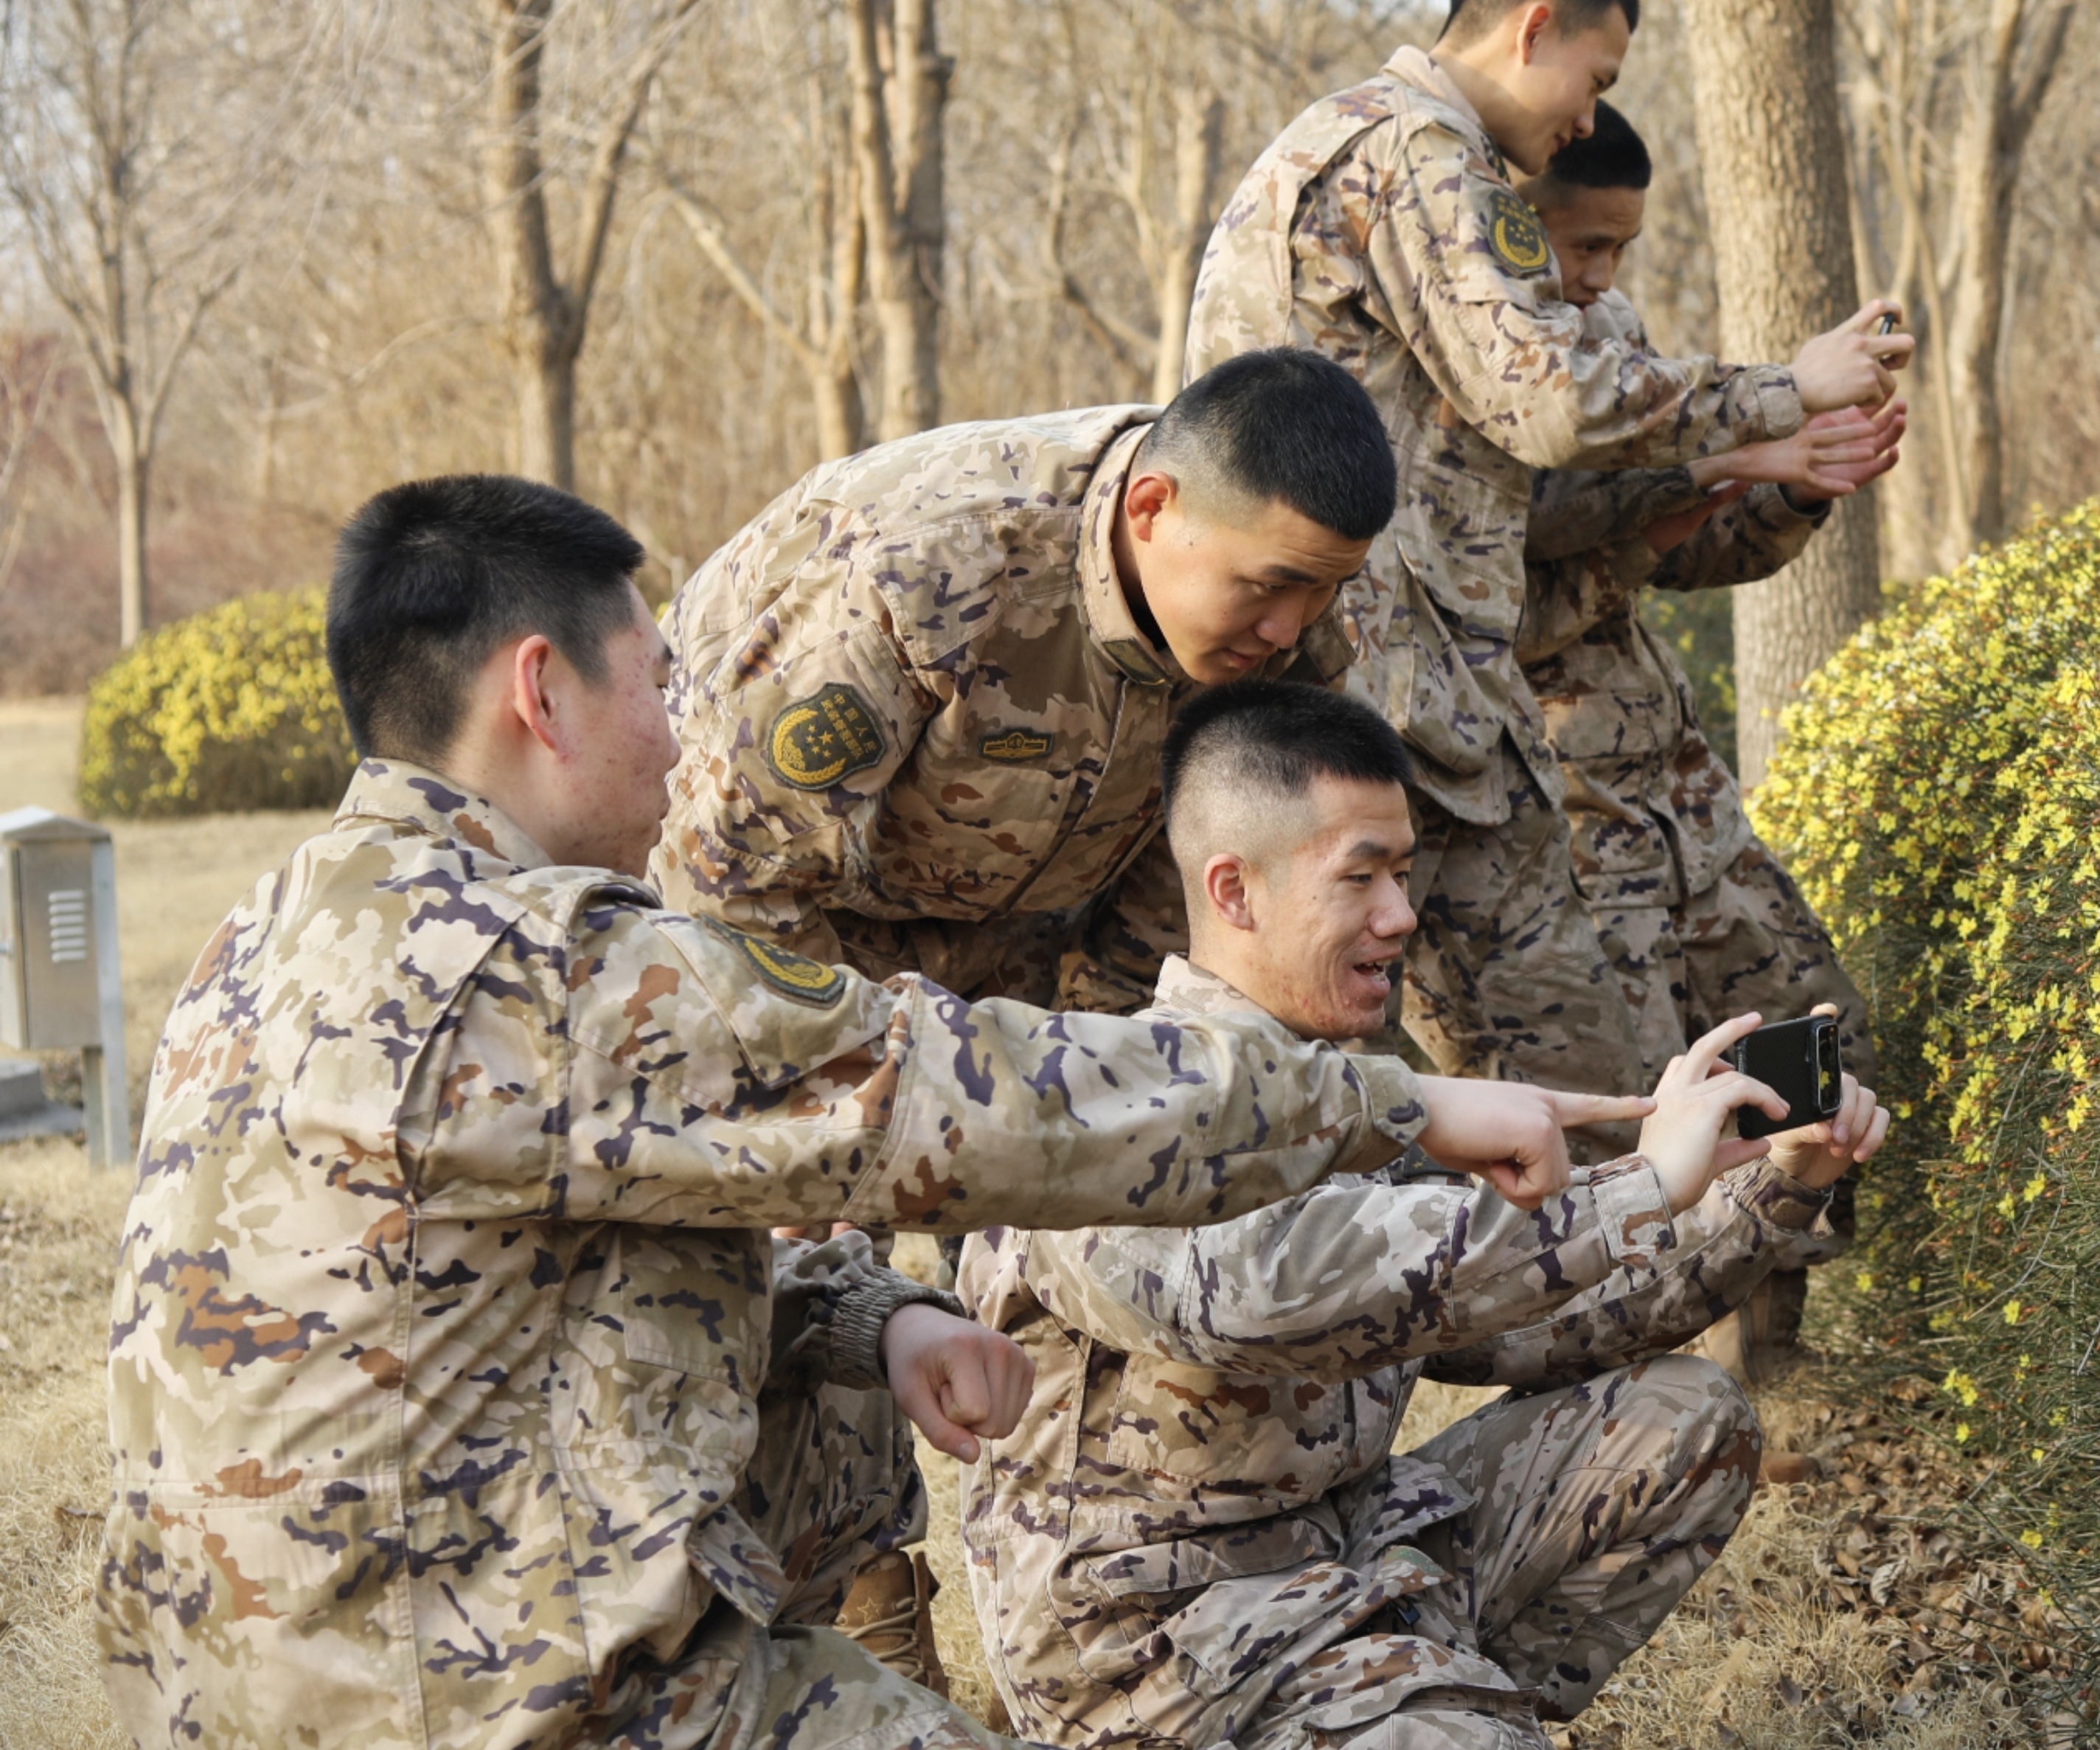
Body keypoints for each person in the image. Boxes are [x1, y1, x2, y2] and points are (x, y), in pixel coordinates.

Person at [97, 476, 1647, 1750]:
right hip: (465, 1694)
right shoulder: (536, 967)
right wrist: (1395, 1104)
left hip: (250, 1670)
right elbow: (973, 1097)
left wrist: (872, 1319)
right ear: (541, 692)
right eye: (663, 681)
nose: (687, 728)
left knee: (821, 1324)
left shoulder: (284, 926)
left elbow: (533, 1274)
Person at [956, 681, 1886, 1749]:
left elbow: (1539, 1318)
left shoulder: (1369, 1093)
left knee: (1688, 1420)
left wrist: (1775, 1180)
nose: (1401, 915)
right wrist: (1636, 1185)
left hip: (1342, 1564)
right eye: (1361, 877)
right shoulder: (1108, 1105)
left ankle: (1435, 1706)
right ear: (1236, 890)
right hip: (1157, 1657)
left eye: (1404, 872)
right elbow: (1260, 1293)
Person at [1186, 0, 1909, 1108]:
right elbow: (1554, 407)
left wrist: (1764, 470)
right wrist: (1780, 391)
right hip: (1401, 703)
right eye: (1596, 77)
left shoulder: (1356, 147)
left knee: (1515, 1100)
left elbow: (1526, 474)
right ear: (1533, 29)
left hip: (1384, 702)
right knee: (1589, 1106)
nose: (1587, 116)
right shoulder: (1417, 151)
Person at [655, 347, 1393, 1020]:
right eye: (1269, 587)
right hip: (783, 934)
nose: (1288, 632)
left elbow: (1204, 869)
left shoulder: (1300, 588)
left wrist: (1130, 1062)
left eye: (1326, 589)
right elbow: (731, 878)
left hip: (1016, 942)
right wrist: (876, 1076)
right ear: (1150, 509)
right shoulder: (922, 575)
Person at [1511, 105, 1896, 1367]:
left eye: (1621, 249)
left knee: (1805, 1029)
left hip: (1668, 779)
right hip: (1559, 803)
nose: (1600, 278)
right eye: (1580, 247)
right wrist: (1742, 438)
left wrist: (1793, 482)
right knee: (1645, 1110)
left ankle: (1772, 1356)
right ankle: (1669, 1387)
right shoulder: (1481, 355)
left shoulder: (1615, 342)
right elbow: (1544, 526)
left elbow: (1676, 544)